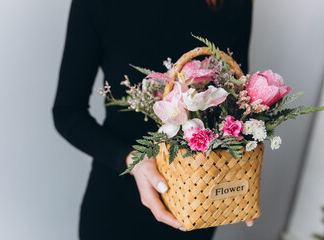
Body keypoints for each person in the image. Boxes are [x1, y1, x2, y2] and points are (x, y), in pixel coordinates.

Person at [52, 0, 254, 239]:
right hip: (116, 210)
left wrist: (238, 174)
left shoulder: (231, 3)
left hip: (195, 208)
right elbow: (67, 112)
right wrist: (132, 160)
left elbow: (238, 102)